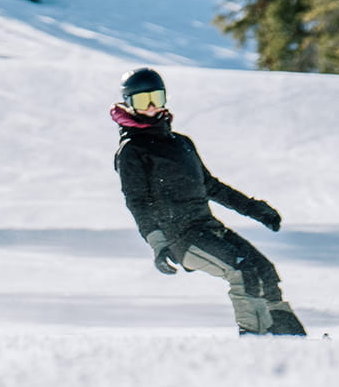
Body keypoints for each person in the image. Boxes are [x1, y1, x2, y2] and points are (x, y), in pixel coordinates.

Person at [112, 67, 305, 336]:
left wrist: (255, 209)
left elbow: (210, 186)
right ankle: (255, 338)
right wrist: (158, 243)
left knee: (263, 270)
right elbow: (138, 202)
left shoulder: (181, 143)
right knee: (241, 270)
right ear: (129, 105)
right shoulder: (132, 151)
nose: (152, 107)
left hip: (207, 227)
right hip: (180, 237)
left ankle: (289, 337)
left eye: (157, 97)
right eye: (143, 101)